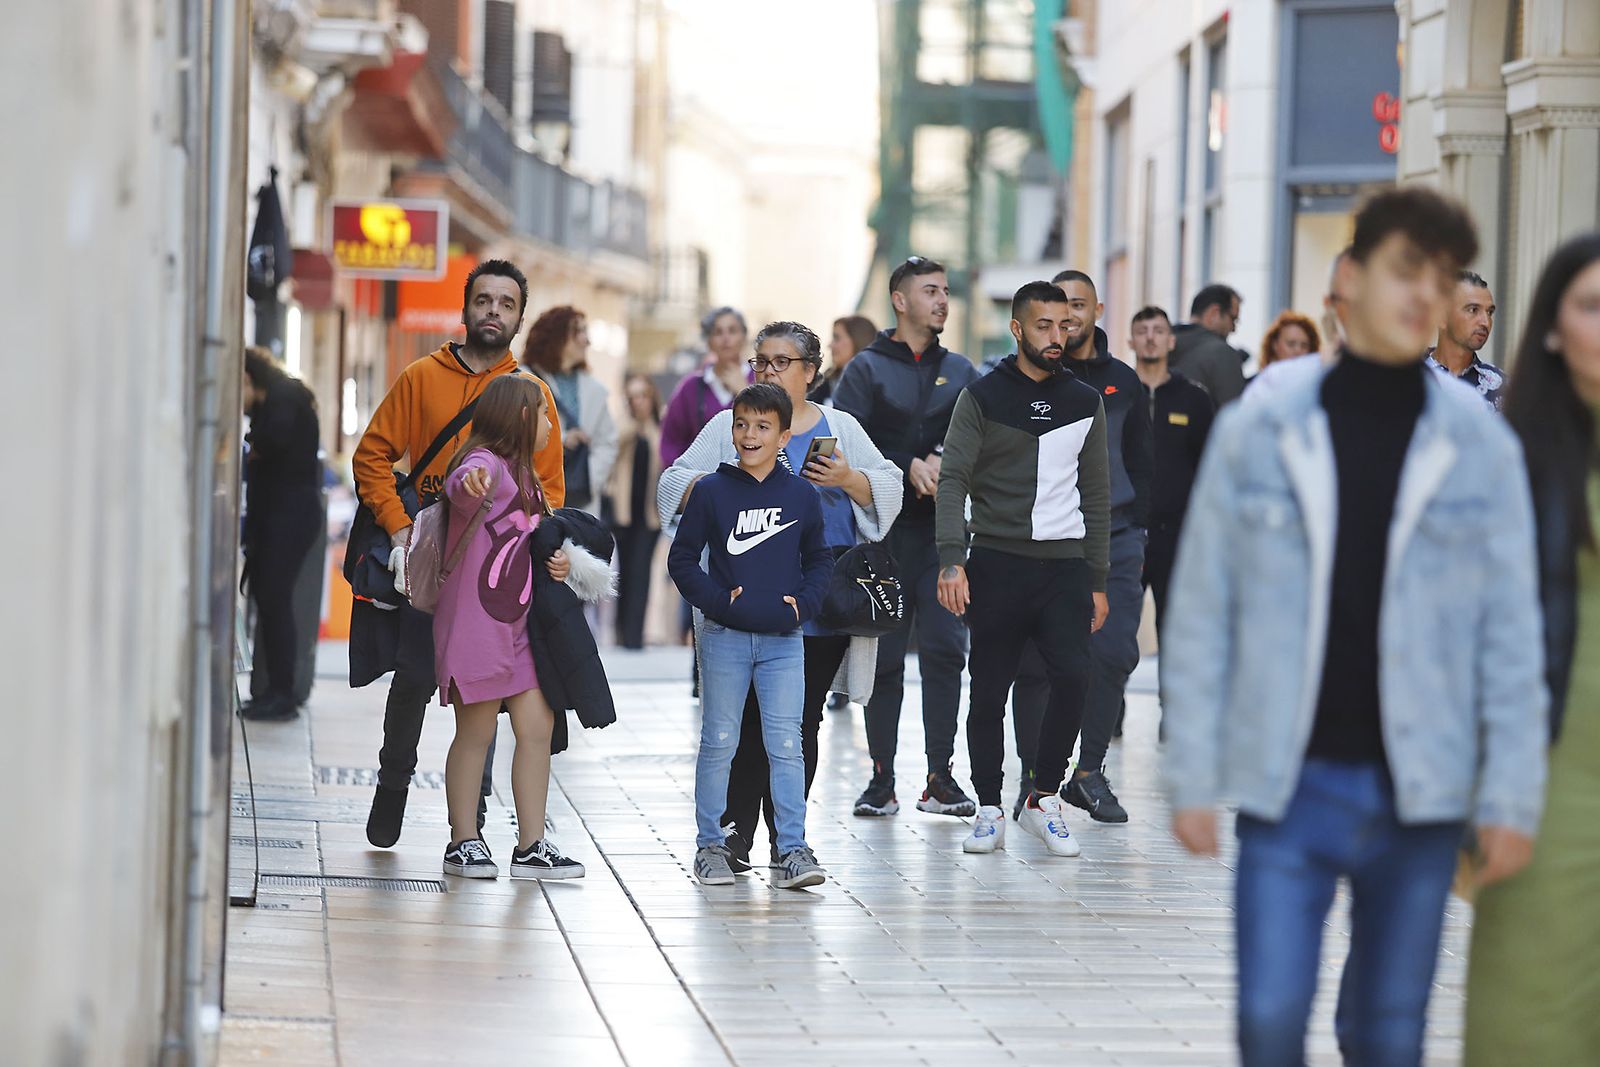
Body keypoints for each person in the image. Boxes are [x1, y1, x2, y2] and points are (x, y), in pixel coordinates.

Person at [1162, 186, 1546, 1067]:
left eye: (1443, 278)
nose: (1427, 294)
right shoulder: (1267, 421)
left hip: (1422, 782)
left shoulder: (1477, 440)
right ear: (1349, 278)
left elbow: (1510, 629)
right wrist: (1190, 772)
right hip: (1288, 777)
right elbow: (1205, 598)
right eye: (1406, 270)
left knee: (1388, 1033)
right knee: (1268, 1017)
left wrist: (1511, 794)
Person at [659, 322, 904, 869]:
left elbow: (889, 486)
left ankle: (787, 842)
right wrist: (730, 480)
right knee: (740, 722)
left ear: (810, 373)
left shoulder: (840, 426)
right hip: (741, 600)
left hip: (821, 600)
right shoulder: (732, 426)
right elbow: (671, 485)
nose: (767, 372)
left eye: (781, 362)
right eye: (761, 361)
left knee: (799, 724)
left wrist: (845, 478)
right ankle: (734, 838)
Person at [351, 259, 566, 849]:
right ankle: (392, 787)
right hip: (428, 563)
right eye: (484, 300)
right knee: (413, 681)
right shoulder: (423, 377)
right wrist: (399, 532)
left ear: (520, 317)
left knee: (488, 698)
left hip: (494, 579)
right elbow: (372, 456)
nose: (494, 311)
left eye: (507, 303)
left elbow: (547, 496)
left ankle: (470, 826)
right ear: (466, 307)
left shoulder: (531, 395)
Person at [1464, 232, 1600, 1063]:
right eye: (1592, 305)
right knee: (1532, 1025)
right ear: (1551, 328)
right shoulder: (1509, 456)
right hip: (1549, 783)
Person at [934, 280, 1110, 858]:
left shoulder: (1085, 400)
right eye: (1044, 326)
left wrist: (1099, 579)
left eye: (1065, 326)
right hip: (997, 561)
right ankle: (988, 807)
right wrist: (951, 560)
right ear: (1017, 329)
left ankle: (1043, 797)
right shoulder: (982, 397)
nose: (1057, 337)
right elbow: (953, 478)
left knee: (1074, 676)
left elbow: (1098, 494)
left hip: (1064, 566)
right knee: (987, 691)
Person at [668, 383, 834, 889]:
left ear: (785, 435)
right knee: (719, 742)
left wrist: (804, 604)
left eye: (763, 426)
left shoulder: (803, 495)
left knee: (787, 745)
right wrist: (718, 602)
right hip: (724, 638)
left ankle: (793, 851)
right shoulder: (712, 492)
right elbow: (681, 559)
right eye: (741, 424)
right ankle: (709, 846)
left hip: (785, 643)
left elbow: (821, 559)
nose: (749, 434)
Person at [833, 257, 981, 819]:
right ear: (900, 300)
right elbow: (845, 443)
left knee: (946, 651)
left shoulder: (963, 371)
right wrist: (904, 466)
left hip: (944, 539)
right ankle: (881, 779)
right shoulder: (866, 370)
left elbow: (975, 436)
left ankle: (940, 777)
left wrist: (941, 458)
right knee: (885, 658)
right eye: (930, 291)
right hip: (882, 538)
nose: (943, 300)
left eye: (946, 291)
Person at [1003, 270, 1151, 824]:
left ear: (1097, 311)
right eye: (1058, 311)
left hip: (1115, 537)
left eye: (1078, 308)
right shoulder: (1028, 381)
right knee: (1036, 664)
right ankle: (1033, 777)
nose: (1068, 320)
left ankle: (1087, 774)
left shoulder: (1124, 381)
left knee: (1112, 654)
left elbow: (1142, 461)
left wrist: (1140, 528)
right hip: (1047, 537)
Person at [433, 374, 584, 880]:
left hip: (521, 630)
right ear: (521, 416)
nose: (549, 425)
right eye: (543, 414)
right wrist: (467, 482)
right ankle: (463, 840)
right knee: (474, 734)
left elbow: (530, 544)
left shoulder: (527, 475)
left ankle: (532, 843)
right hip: (477, 628)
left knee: (537, 729)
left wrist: (559, 563)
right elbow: (462, 483)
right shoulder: (485, 466)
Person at [240, 347, 323, 722]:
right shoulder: (281, 398)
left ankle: (281, 693)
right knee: (271, 603)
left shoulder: (283, 397)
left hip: (287, 517)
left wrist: (254, 448)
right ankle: (274, 690)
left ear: (246, 379)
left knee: (275, 602)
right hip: (281, 516)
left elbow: (271, 443)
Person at [1128, 307, 1213, 630]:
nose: (1151, 338)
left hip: (1176, 536)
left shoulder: (1194, 399)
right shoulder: (1118, 394)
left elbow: (1208, 470)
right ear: (1131, 341)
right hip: (1125, 533)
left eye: (1158, 331)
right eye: (1143, 331)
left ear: (1171, 341)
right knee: (1114, 636)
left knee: (1177, 631)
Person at [523, 305, 618, 514]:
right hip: (532, 493)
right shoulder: (523, 379)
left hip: (581, 501)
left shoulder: (595, 389)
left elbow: (608, 442)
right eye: (579, 332)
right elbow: (515, 430)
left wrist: (588, 477)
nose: (587, 340)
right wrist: (563, 440)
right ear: (556, 337)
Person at [605, 374, 663, 650]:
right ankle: (621, 633)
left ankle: (635, 637)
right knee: (625, 571)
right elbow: (610, 455)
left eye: (643, 395)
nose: (638, 401)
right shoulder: (623, 428)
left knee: (642, 572)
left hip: (650, 514)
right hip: (624, 512)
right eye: (633, 396)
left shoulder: (660, 429)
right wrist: (631, 429)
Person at [660, 306, 751, 467]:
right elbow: (670, 441)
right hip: (700, 483)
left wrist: (745, 391)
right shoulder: (691, 387)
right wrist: (686, 476)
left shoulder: (759, 380)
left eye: (732, 331)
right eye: (718, 332)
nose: (726, 338)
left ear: (743, 337)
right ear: (709, 341)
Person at [1425, 269, 1505, 410]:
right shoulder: (1405, 377)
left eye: (1489, 312)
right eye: (1473, 310)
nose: (1485, 322)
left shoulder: (1501, 387)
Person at [1171, 283, 1248, 406]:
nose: (1233, 329)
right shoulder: (1222, 354)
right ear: (1214, 313)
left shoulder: (1161, 346)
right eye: (1233, 319)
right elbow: (1233, 416)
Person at [811, 314, 877, 406]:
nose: (830, 345)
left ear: (857, 340)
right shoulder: (825, 383)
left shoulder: (878, 387)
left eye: (837, 338)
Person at [1257, 311, 1321, 375]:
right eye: (1291, 344)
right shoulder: (1256, 383)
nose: (1298, 350)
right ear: (1275, 345)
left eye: (1304, 345)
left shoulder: (1319, 383)